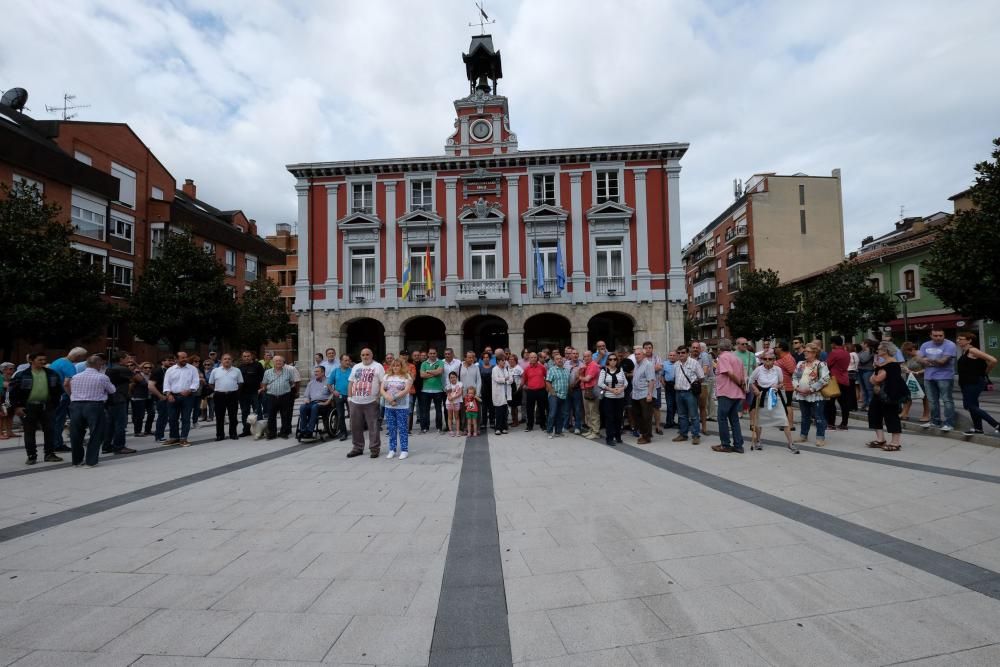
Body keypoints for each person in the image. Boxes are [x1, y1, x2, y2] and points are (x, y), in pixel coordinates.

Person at [8, 352, 64, 464]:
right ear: (31, 361)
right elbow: (13, 393)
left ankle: (49, 454)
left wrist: (54, 404)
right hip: (28, 407)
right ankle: (31, 456)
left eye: (44, 359)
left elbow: (58, 390)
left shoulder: (52, 374)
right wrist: (17, 407)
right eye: (40, 360)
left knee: (50, 431)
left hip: (47, 406)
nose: (43, 362)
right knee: (29, 432)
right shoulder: (21, 375)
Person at [68, 355, 116, 467]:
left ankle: (77, 460)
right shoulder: (101, 377)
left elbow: (68, 387)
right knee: (96, 433)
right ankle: (91, 460)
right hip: (94, 405)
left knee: (76, 434)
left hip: (76, 405)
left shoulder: (75, 377)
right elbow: (112, 390)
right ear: (98, 364)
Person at [749, 350, 797, 453]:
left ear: (774, 360)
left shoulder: (778, 370)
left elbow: (781, 383)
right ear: (762, 360)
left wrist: (778, 386)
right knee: (759, 421)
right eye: (765, 359)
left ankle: (790, 443)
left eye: (770, 359)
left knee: (784, 419)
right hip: (761, 396)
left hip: (774, 396)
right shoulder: (758, 370)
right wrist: (755, 389)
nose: (767, 361)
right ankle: (758, 441)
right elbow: (751, 381)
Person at [867, 341, 908, 451]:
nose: (877, 351)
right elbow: (872, 380)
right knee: (873, 413)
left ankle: (895, 443)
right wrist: (875, 374)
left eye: (879, 349)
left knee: (891, 416)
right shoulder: (882, 363)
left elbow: (876, 379)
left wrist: (875, 375)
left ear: (885, 351)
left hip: (890, 395)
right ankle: (881, 440)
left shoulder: (892, 364)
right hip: (879, 394)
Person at [956, 331, 999, 435]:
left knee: (969, 406)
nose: (958, 341)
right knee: (973, 406)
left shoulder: (973, 350)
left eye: (961, 339)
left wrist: (985, 372)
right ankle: (978, 429)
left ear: (969, 340)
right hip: (966, 382)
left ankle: (996, 424)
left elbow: (993, 360)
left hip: (974, 382)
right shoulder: (964, 351)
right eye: (958, 339)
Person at [711, 338, 748, 454]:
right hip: (736, 393)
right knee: (734, 419)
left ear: (719, 348)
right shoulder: (737, 359)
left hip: (726, 392)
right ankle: (738, 445)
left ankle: (725, 444)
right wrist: (741, 385)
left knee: (722, 418)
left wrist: (738, 383)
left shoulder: (723, 357)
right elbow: (743, 375)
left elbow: (729, 373)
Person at [48, 346, 87, 452]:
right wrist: (72, 396)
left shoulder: (57, 361)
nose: (83, 359)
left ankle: (54, 442)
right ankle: (57, 444)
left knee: (56, 420)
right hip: (63, 396)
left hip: (54, 395)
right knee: (59, 420)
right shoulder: (69, 366)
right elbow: (68, 383)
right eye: (83, 357)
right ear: (78, 356)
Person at [917, 329, 958, 432]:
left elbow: (943, 361)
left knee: (947, 400)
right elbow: (918, 359)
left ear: (944, 335)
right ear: (930, 335)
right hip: (928, 376)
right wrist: (931, 361)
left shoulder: (950, 345)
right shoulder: (925, 345)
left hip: (945, 376)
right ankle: (935, 421)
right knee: (932, 401)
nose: (938, 337)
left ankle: (949, 423)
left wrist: (928, 360)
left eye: (940, 335)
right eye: (935, 335)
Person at [347, 348, 385, 458]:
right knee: (355, 426)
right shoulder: (356, 367)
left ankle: (374, 448)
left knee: (373, 426)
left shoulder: (378, 366)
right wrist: (349, 397)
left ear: (372, 355)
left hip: (371, 402)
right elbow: (351, 382)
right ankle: (357, 448)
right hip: (355, 401)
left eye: (367, 354)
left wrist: (378, 397)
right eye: (363, 354)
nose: (365, 356)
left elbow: (383, 383)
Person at [793, 342, 830, 446]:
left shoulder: (820, 364)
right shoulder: (801, 364)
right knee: (805, 416)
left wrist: (811, 389)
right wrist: (797, 388)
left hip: (816, 396)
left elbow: (825, 379)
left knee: (818, 416)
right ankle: (803, 436)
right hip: (801, 394)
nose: (805, 353)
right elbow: (795, 377)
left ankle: (820, 438)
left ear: (814, 353)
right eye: (805, 351)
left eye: (808, 352)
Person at [102, 350, 137, 455]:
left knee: (110, 424)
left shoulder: (110, 369)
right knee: (120, 424)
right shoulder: (122, 369)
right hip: (119, 399)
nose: (129, 360)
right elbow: (136, 376)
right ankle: (119, 446)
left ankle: (106, 446)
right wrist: (134, 364)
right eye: (127, 358)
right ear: (121, 359)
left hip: (110, 399)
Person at [163, 351, 201, 446]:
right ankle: (174, 437)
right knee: (172, 418)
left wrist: (190, 390)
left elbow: (196, 382)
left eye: (186, 357)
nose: (185, 359)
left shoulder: (192, 369)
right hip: (173, 396)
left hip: (187, 397)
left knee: (185, 418)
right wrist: (168, 394)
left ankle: (183, 438)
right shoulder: (170, 370)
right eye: (182, 358)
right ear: (176, 359)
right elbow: (166, 383)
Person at [672, 346, 704, 445]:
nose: (681, 354)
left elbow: (701, 377)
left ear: (687, 353)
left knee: (694, 415)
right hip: (678, 392)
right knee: (681, 415)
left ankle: (696, 436)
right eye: (679, 353)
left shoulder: (694, 363)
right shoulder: (676, 364)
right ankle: (683, 434)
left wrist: (694, 385)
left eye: (683, 352)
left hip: (690, 392)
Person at [260, 355, 297, 439]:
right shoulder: (267, 372)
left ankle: (284, 432)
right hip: (271, 396)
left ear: (283, 362)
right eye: (276, 361)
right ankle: (272, 433)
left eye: (280, 361)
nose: (278, 362)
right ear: (273, 362)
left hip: (285, 396)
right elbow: (264, 383)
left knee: (285, 415)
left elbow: (292, 383)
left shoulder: (288, 371)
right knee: (271, 416)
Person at [381, 358, 412, 458]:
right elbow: (382, 389)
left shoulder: (406, 376)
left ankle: (404, 450)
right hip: (389, 406)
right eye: (394, 365)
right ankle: (392, 449)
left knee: (402, 428)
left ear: (401, 366)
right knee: (391, 428)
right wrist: (388, 399)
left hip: (402, 406)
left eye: (398, 365)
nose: (395, 367)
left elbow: (406, 390)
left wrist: (393, 398)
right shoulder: (387, 376)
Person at [209, 354, 244, 441]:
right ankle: (220, 435)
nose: (227, 360)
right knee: (219, 416)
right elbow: (210, 383)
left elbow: (240, 383)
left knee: (233, 416)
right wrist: (218, 390)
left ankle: (233, 433)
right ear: (221, 360)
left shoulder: (237, 370)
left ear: (231, 360)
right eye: (225, 359)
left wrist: (233, 390)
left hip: (233, 395)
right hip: (219, 395)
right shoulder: (215, 371)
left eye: (229, 359)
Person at [824, 336, 852, 431]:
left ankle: (831, 424)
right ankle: (844, 423)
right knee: (844, 403)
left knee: (830, 403)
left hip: (834, 380)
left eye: (831, 343)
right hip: (845, 379)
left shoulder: (834, 353)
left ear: (834, 343)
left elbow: (827, 365)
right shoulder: (846, 353)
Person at [597, 353, 626, 445]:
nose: (613, 361)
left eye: (614, 359)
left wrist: (621, 389)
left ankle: (618, 436)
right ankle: (609, 438)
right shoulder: (604, 370)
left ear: (617, 361)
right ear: (608, 361)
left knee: (619, 418)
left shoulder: (620, 370)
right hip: (609, 398)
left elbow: (626, 383)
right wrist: (611, 390)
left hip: (620, 398)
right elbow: (600, 383)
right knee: (610, 418)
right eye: (610, 359)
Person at [297, 365, 332, 440]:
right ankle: (303, 431)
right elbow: (306, 395)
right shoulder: (311, 383)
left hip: (324, 404)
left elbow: (333, 393)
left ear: (323, 373)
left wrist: (327, 402)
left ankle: (310, 431)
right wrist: (306, 399)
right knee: (302, 407)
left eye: (317, 371)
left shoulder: (329, 381)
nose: (315, 373)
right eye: (315, 372)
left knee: (314, 407)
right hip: (312, 402)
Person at [630, 346, 656, 444]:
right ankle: (643, 433)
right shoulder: (637, 364)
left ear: (644, 354)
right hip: (636, 394)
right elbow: (636, 378)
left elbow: (651, 380)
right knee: (638, 415)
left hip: (645, 394)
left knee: (646, 416)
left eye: (639, 354)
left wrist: (649, 394)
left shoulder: (648, 364)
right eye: (635, 354)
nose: (636, 356)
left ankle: (646, 436)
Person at [899, 342, 930, 423]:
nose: (905, 354)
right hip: (911, 379)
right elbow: (906, 365)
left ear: (911, 349)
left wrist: (918, 372)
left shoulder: (920, 356)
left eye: (906, 352)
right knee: (908, 396)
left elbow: (928, 368)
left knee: (924, 397)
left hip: (921, 379)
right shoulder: (910, 357)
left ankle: (926, 414)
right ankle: (905, 413)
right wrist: (904, 368)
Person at [148, 356, 175, 442]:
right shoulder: (158, 371)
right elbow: (151, 386)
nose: (171, 362)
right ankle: (159, 436)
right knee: (162, 417)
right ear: (162, 362)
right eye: (169, 360)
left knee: (169, 417)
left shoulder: (171, 370)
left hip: (171, 397)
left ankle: (170, 435)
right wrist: (160, 396)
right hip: (162, 398)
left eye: (172, 360)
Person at [418, 348, 446, 434]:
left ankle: (439, 427)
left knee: (438, 410)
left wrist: (428, 371)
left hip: (438, 390)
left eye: (434, 353)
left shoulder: (440, 362)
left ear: (436, 354)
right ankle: (424, 427)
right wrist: (434, 373)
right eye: (431, 353)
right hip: (425, 390)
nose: (432, 355)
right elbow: (422, 375)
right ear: (428, 354)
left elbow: (440, 372)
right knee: (425, 410)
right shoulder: (424, 363)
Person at [237, 351, 264, 437]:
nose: (246, 358)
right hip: (243, 394)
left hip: (255, 392)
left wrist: (261, 389)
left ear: (251, 356)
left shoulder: (258, 365)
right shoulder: (240, 367)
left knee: (258, 412)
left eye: (248, 356)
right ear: (242, 357)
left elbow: (263, 378)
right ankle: (246, 430)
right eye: (244, 356)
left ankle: (261, 430)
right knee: (245, 412)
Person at [327, 353, 353, 440]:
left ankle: (355, 431)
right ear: (341, 361)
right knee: (340, 415)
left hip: (351, 396)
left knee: (352, 414)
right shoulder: (335, 371)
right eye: (345, 360)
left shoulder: (352, 371)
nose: (347, 362)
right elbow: (329, 384)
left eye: (348, 360)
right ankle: (343, 433)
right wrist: (333, 391)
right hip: (339, 396)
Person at [545, 351, 570, 438]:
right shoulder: (552, 370)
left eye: (560, 359)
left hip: (564, 396)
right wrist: (552, 392)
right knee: (552, 413)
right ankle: (549, 431)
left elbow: (568, 383)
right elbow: (548, 382)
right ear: (554, 361)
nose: (559, 360)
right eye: (557, 359)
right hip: (554, 396)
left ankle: (558, 431)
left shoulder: (566, 371)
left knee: (561, 414)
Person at [522, 352, 547, 431]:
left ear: (537, 358)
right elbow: (524, 380)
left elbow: (546, 377)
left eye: (535, 357)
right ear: (529, 358)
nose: (533, 359)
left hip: (541, 391)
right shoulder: (526, 369)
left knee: (542, 409)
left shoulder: (542, 367)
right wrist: (525, 386)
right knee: (530, 409)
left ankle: (543, 425)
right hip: (531, 391)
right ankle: (530, 426)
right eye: (531, 357)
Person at [774, 342, 797, 427]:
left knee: (788, 405)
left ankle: (790, 425)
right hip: (782, 386)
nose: (774, 349)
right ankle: (785, 423)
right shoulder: (783, 358)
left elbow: (793, 372)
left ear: (781, 348)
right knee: (783, 405)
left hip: (787, 386)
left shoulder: (787, 358)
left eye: (776, 347)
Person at [579, 348, 601, 438]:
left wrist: (580, 376)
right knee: (588, 412)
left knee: (593, 412)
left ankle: (596, 432)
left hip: (593, 391)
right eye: (585, 356)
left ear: (591, 356)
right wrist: (581, 372)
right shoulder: (585, 366)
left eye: (588, 356)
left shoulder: (593, 365)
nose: (586, 358)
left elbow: (587, 379)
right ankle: (591, 429)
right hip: (586, 390)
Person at [491, 350, 513, 435]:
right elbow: (497, 379)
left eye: (504, 360)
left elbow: (511, 379)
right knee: (499, 412)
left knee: (505, 412)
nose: (504, 362)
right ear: (498, 361)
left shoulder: (506, 369)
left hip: (505, 393)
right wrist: (505, 379)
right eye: (502, 360)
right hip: (498, 394)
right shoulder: (494, 369)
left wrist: (506, 380)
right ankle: (498, 428)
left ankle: (504, 427)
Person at [131, 361, 155, 436]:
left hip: (149, 397)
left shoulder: (152, 375)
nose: (148, 369)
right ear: (142, 368)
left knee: (152, 413)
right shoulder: (138, 375)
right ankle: (137, 431)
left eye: (150, 367)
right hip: (139, 397)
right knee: (140, 415)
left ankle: (148, 430)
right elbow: (144, 384)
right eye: (146, 367)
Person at [857, 339, 877, 410]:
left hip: (868, 371)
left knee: (869, 388)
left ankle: (870, 404)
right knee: (863, 388)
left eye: (862, 343)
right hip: (860, 370)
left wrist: (857, 356)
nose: (861, 344)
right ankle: (865, 403)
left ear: (866, 344)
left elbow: (863, 359)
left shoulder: (870, 351)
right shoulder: (862, 351)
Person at [661, 350, 677, 429]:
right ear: (668, 356)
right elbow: (661, 375)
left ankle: (674, 421)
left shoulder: (679, 363)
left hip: (677, 386)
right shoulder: (665, 364)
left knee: (676, 405)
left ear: (676, 356)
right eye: (670, 355)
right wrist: (664, 385)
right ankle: (669, 422)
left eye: (674, 355)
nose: (672, 357)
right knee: (670, 405)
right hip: (669, 386)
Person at [479, 352, 495, 430]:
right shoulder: (480, 367)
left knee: (491, 407)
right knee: (484, 408)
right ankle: (484, 423)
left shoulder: (493, 367)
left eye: (487, 357)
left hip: (492, 390)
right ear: (482, 359)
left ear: (490, 358)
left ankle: (492, 422)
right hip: (483, 390)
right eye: (484, 357)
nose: (486, 358)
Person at [445, 371, 463, 436]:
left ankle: (458, 431)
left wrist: (454, 397)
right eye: (451, 377)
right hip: (449, 403)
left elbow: (460, 393)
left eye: (454, 377)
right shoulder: (448, 385)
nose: (453, 379)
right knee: (450, 417)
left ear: (456, 377)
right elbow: (448, 395)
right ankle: (451, 430)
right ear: (449, 378)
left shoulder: (460, 384)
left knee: (457, 417)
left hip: (457, 402)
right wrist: (450, 398)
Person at [507, 353, 523, 427]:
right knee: (512, 406)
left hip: (516, 389)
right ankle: (514, 420)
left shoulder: (518, 368)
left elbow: (523, 377)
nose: (511, 361)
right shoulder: (508, 368)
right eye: (509, 359)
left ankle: (516, 422)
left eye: (512, 359)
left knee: (514, 406)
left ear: (516, 360)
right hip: (510, 389)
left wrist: (520, 386)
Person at [0, 362, 15, 440]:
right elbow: (6, 386)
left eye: (13, 368)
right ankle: (1, 433)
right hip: (2, 398)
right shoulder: (1, 377)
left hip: (9, 398)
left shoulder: (11, 378)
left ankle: (9, 431)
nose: (13, 370)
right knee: (2, 416)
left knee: (10, 415)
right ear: (4, 369)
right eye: (10, 369)